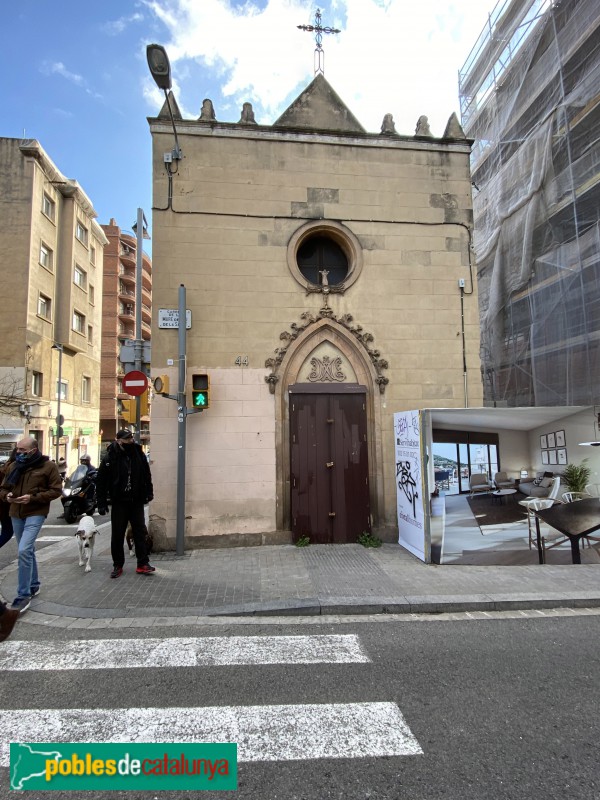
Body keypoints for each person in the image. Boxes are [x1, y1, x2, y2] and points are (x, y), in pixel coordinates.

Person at [0, 437, 62, 613]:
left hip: (36, 512)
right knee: (27, 549)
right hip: (16, 512)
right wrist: (7, 496)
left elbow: (56, 490)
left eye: (22, 450)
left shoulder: (48, 466)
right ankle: (34, 585)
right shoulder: (13, 466)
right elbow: (3, 489)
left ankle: (23, 595)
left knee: (23, 550)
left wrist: (32, 498)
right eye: (17, 449)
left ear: (33, 450)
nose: (18, 452)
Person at [96, 429, 155, 579]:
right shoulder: (110, 456)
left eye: (131, 438)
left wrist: (149, 492)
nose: (131, 441)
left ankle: (142, 563)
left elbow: (146, 474)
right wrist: (101, 502)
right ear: (119, 441)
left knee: (139, 532)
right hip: (119, 501)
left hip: (136, 499)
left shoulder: (138, 453)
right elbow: (101, 481)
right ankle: (118, 565)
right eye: (128, 439)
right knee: (117, 534)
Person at [0, 448, 17, 548]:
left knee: (7, 532)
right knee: (7, 532)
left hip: (5, 506)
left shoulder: (4, 467)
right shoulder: (13, 468)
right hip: (6, 506)